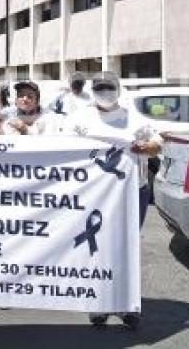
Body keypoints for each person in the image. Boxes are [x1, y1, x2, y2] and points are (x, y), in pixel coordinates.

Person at [66, 71, 161, 329]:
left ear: (118, 89)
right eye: (100, 88)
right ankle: (99, 304)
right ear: (92, 90)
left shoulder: (132, 117)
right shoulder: (80, 118)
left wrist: (147, 148)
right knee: (98, 247)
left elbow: (157, 143)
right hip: (95, 195)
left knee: (126, 248)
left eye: (109, 87)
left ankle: (125, 303)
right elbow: (60, 147)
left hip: (133, 193)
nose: (105, 92)